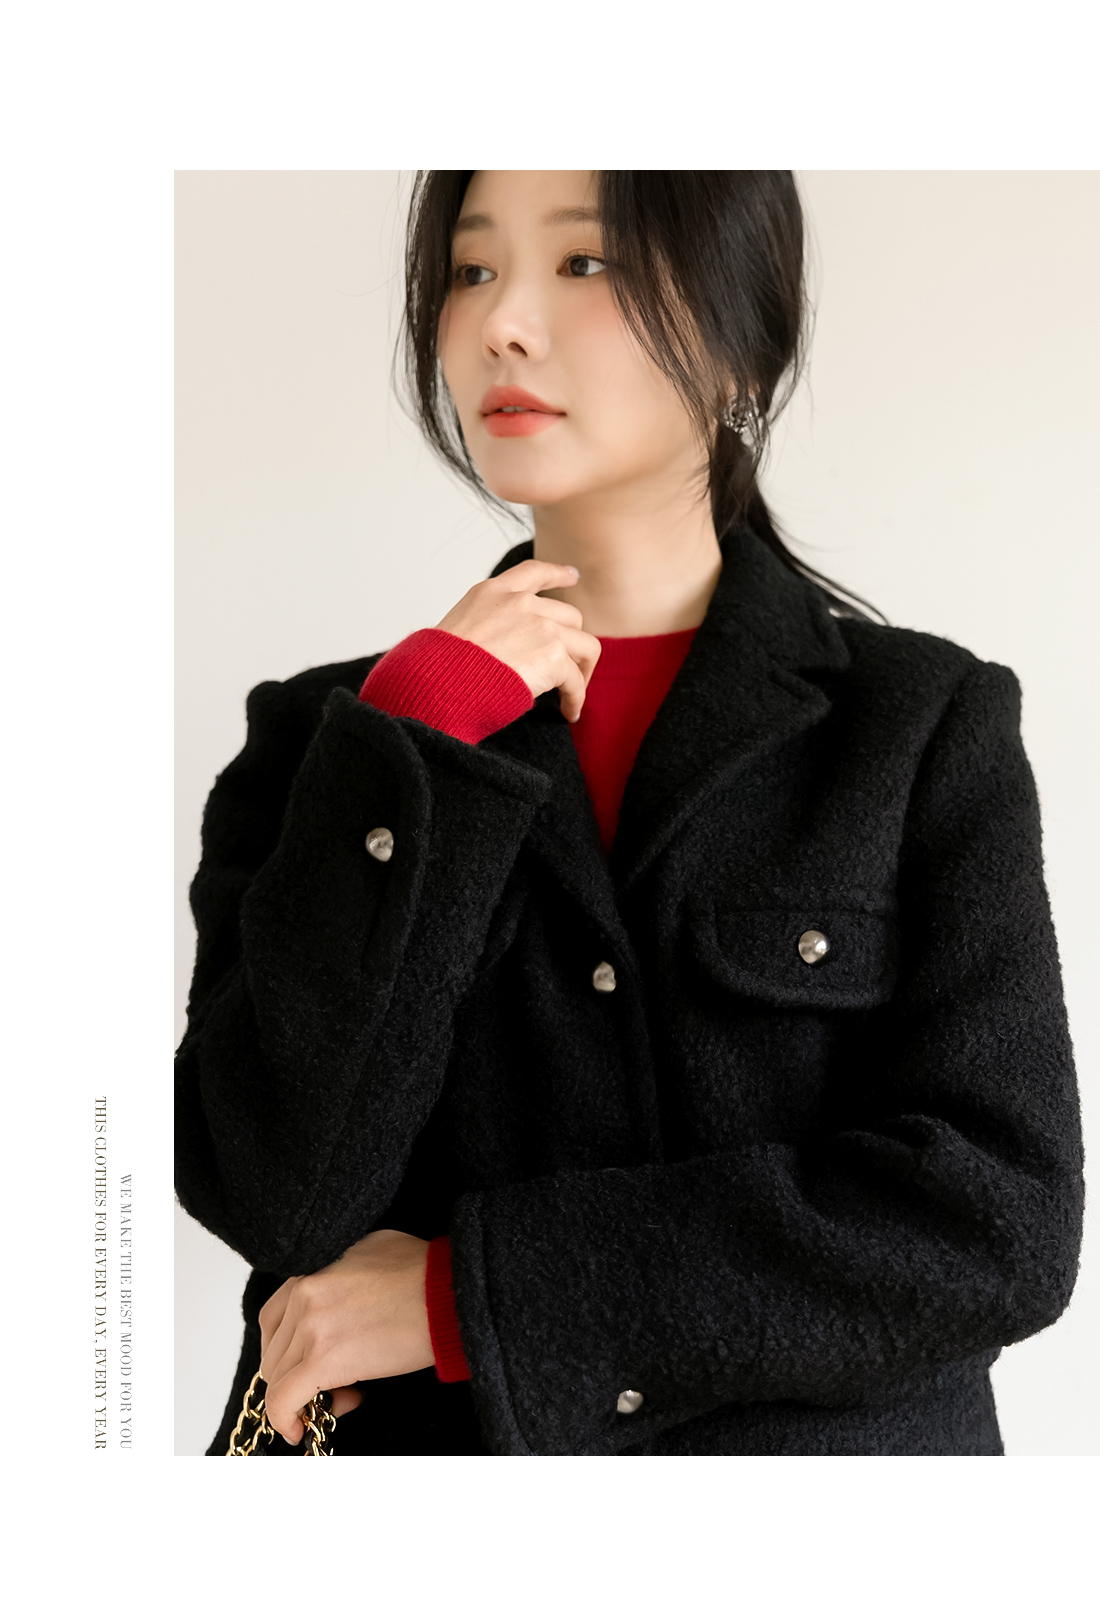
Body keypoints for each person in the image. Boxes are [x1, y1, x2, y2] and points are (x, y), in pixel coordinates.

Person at [175, 170, 1084, 1457]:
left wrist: (463, 1299)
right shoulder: (335, 742)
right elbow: (273, 1190)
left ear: (738, 340)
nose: (502, 324)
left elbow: (995, 1221)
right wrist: (416, 745)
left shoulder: (917, 726)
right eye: (473, 270)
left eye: (583, 264)